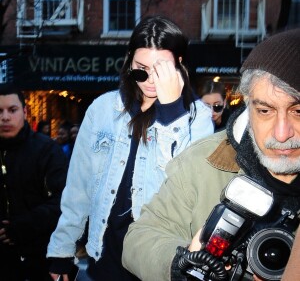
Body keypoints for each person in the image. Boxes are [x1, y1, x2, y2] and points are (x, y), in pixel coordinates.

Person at [122, 28, 300, 281]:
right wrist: (182, 264)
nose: (282, 133)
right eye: (265, 111)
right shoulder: (201, 162)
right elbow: (140, 238)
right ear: (248, 105)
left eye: (298, 111)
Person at [47, 15, 214, 281]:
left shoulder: (197, 119)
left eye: (161, 70)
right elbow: (79, 188)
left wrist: (171, 114)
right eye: (141, 69)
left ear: (179, 65)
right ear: (129, 62)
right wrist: (62, 249)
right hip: (104, 257)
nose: (149, 80)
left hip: (157, 260)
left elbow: (182, 191)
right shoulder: (102, 109)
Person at [0, 84, 68, 281]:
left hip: (38, 260)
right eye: (0, 111)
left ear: (24, 111)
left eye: (11, 110)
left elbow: (65, 201)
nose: (5, 117)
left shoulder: (46, 150)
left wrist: (23, 226)